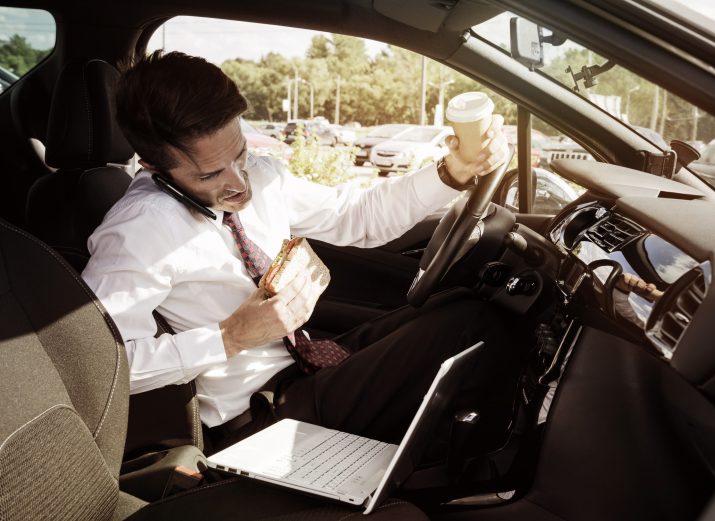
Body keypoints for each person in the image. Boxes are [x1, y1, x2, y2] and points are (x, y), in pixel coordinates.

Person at [82, 50, 519, 451]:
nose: (239, 184)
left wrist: (453, 172)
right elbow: (99, 365)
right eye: (212, 174)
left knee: (460, 303)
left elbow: (357, 216)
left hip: (306, 364)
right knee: (472, 325)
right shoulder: (138, 231)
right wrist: (230, 336)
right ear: (153, 166)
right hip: (262, 415)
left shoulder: (263, 176)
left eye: (241, 154)